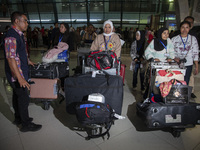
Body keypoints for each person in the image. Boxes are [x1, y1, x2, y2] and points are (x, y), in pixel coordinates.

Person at [3, 11, 42, 132]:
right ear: (16, 21)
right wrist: (20, 78)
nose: (27, 23)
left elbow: (18, 54)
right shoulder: (11, 36)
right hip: (17, 75)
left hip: (19, 71)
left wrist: (28, 61)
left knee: (17, 96)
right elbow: (10, 59)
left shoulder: (18, 34)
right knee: (24, 99)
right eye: (24, 20)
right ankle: (26, 125)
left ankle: (19, 118)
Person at [171, 21, 199, 85]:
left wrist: (196, 66)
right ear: (180, 28)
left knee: (186, 81)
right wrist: (174, 58)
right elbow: (170, 51)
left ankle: (184, 94)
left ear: (189, 28)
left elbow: (195, 52)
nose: (184, 29)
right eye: (183, 27)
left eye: (187, 27)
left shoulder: (193, 39)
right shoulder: (174, 39)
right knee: (176, 81)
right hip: (176, 63)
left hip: (188, 63)